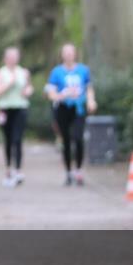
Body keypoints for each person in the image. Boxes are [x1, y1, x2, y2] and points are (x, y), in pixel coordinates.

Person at [44, 43, 97, 186]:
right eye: (65, 53)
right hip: (62, 109)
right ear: (62, 55)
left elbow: (88, 88)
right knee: (66, 141)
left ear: (75, 54)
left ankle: (78, 169)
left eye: (71, 52)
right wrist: (61, 95)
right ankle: (68, 171)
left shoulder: (83, 70)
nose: (68, 55)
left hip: (78, 108)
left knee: (78, 138)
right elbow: (50, 92)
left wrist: (91, 101)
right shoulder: (56, 72)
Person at [0, 47, 33, 187]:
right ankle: (9, 168)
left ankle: (18, 170)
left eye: (15, 56)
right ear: (5, 58)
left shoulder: (24, 72)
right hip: (5, 108)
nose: (13, 59)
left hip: (20, 107)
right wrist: (10, 83)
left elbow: (28, 88)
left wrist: (28, 91)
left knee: (18, 139)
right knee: (8, 140)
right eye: (10, 56)